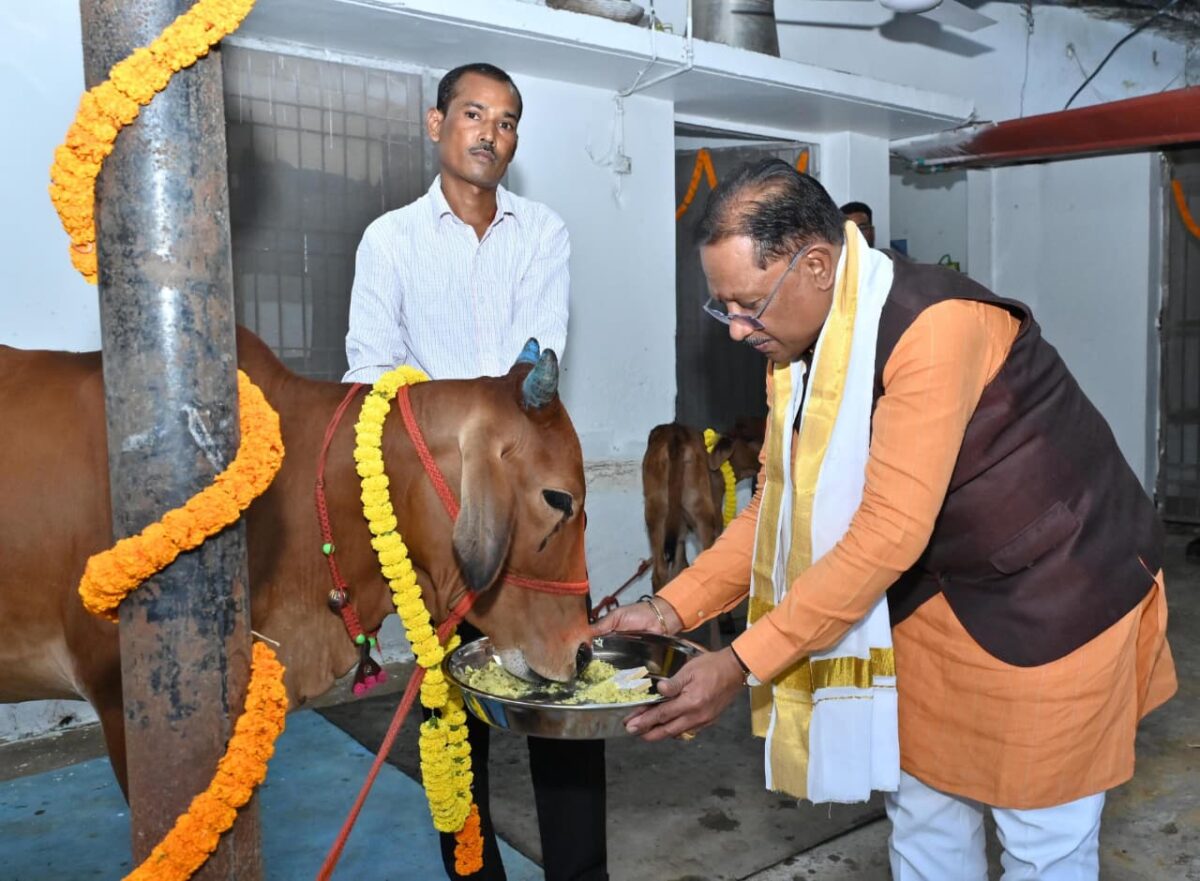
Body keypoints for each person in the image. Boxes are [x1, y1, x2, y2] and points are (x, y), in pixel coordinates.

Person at [595, 158, 1176, 881]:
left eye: (747, 304)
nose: (738, 331)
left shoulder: (934, 328)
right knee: (926, 815)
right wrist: (669, 606)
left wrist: (741, 661)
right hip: (930, 605)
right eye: (724, 309)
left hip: (1053, 597)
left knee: (1041, 838)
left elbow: (889, 531)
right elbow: (776, 513)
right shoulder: (795, 355)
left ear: (814, 265)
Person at [345, 63, 607, 881]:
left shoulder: (545, 232)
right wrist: (470, 421)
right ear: (437, 125)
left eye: (507, 120)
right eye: (473, 114)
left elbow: (536, 363)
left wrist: (480, 406)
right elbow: (370, 375)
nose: (490, 132)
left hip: (531, 513)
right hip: (438, 517)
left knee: (560, 700)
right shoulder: (389, 239)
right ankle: (473, 872)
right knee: (449, 720)